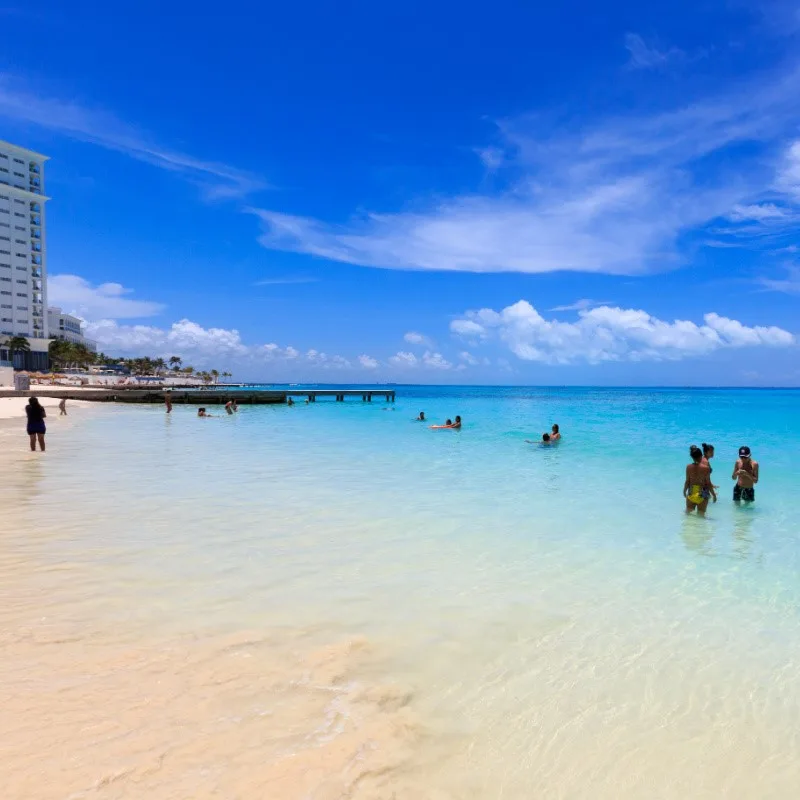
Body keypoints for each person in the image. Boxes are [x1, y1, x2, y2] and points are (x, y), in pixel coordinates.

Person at [684, 444, 716, 515]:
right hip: (703, 492)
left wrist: (684, 491)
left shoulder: (688, 467)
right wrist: (714, 495)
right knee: (701, 515)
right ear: (701, 456)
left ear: (692, 457)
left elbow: (687, 481)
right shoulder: (706, 468)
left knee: (687, 514)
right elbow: (708, 483)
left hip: (691, 491)